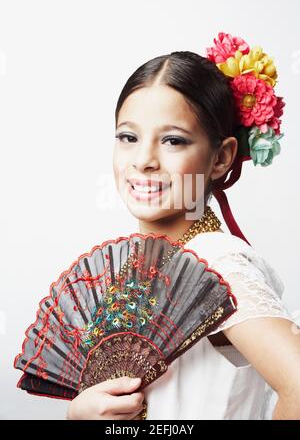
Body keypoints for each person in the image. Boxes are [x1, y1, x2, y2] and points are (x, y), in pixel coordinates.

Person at [66, 33, 300, 420]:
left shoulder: (215, 262)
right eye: (128, 137)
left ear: (222, 157)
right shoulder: (143, 263)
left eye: (173, 141)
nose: (143, 160)